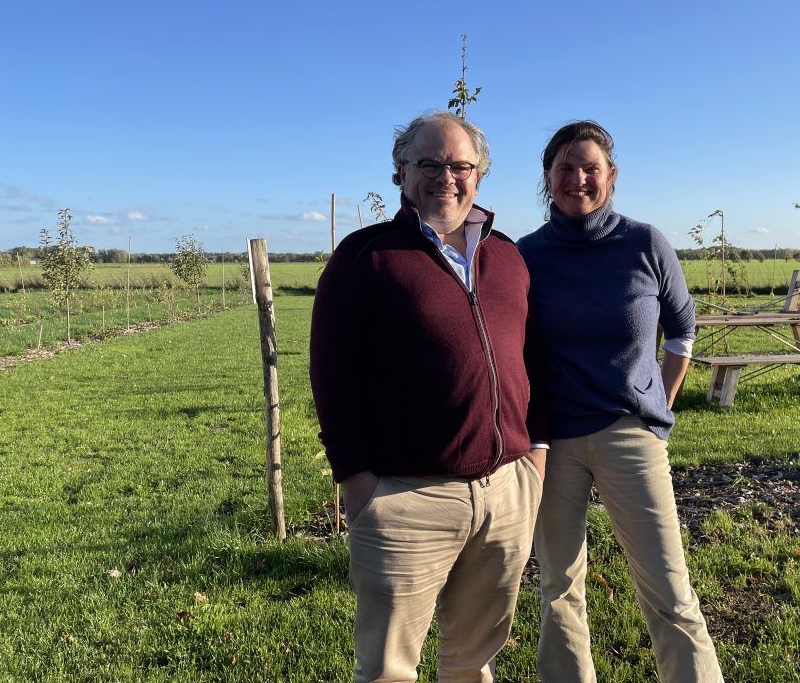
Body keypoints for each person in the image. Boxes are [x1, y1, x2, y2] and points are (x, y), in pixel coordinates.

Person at [309, 110, 546, 683]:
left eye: (460, 164)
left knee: (474, 661)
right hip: (404, 499)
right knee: (390, 670)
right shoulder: (364, 257)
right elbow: (331, 374)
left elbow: (534, 358)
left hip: (506, 494)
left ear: (479, 175)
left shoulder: (508, 257)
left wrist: (534, 459)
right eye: (429, 163)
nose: (447, 176)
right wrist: (357, 481)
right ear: (400, 173)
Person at [517, 120, 723, 683]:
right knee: (557, 587)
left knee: (668, 587)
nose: (577, 178)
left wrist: (657, 400)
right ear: (547, 177)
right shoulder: (525, 256)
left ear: (611, 175)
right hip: (552, 441)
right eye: (565, 167)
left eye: (590, 167)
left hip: (629, 434)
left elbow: (683, 327)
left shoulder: (644, 243)